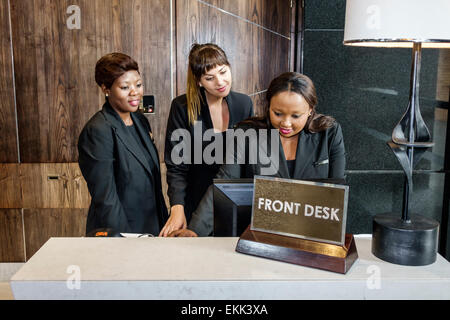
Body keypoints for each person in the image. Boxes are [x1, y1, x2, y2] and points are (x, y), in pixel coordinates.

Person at [169, 72, 346, 237]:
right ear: (268, 106)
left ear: (310, 110)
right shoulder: (248, 132)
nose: (285, 123)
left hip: (311, 235)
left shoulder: (329, 133)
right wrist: (195, 231)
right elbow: (225, 183)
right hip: (259, 236)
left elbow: (336, 194)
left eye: (296, 116)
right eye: (278, 113)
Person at [160, 43, 254, 236]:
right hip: (196, 201)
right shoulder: (182, 106)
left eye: (223, 72)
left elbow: (249, 160)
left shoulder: (244, 104)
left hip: (235, 203)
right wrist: (177, 207)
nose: (220, 82)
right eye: (210, 78)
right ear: (199, 81)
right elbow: (177, 165)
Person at [78, 52, 168, 235]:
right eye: (125, 87)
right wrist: (125, 241)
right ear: (106, 89)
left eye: (139, 85)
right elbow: (106, 199)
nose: (135, 92)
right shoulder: (98, 130)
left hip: (152, 228)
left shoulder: (140, 120)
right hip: (121, 232)